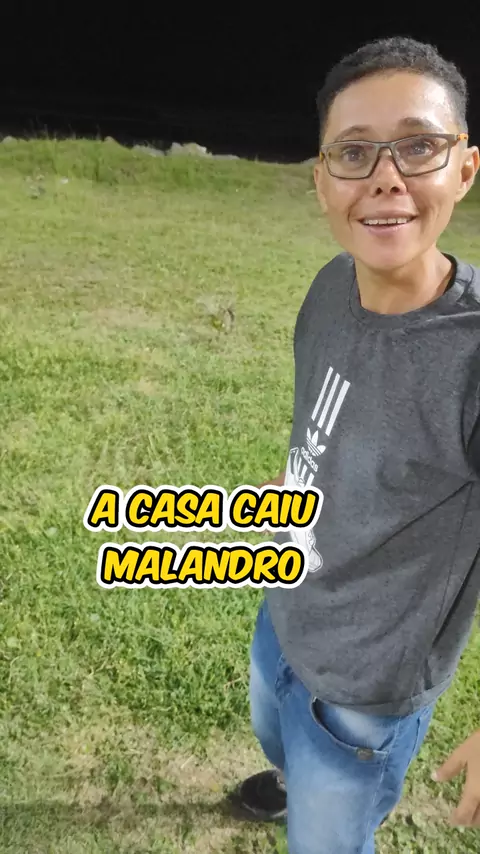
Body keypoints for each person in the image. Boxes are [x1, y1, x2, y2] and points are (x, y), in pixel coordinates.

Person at [233, 36, 480, 854]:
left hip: (366, 687)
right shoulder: (330, 286)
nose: (385, 176)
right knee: (277, 734)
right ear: (321, 181)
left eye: (418, 146)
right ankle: (292, 779)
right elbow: (319, 426)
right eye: (353, 152)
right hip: (286, 608)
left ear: (464, 169)